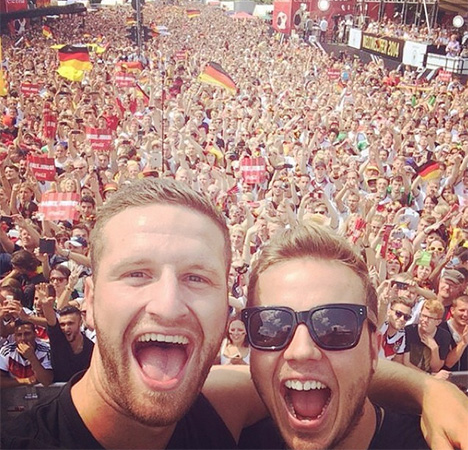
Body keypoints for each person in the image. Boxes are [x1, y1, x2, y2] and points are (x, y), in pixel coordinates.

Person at [2, 180, 468, 449]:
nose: (167, 303)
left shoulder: (216, 412)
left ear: (225, 312)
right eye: (136, 274)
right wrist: (423, 385)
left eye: (197, 278)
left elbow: (337, 370)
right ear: (87, 300)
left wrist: (430, 391)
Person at [238, 224, 430, 449]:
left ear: (372, 349)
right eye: (272, 326)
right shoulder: (226, 438)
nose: (301, 351)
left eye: (335, 328)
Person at [38, 283, 94, 382]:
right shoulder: (58, 340)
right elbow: (51, 322)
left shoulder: (91, 348)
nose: (66, 328)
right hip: (59, 394)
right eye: (62, 324)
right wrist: (46, 306)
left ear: (80, 322)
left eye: (70, 323)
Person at [0, 319, 53, 388]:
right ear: (14, 337)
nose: (23, 338)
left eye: (27, 334)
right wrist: (26, 381)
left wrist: (32, 358)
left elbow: (46, 381)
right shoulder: (6, 351)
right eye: (19, 335)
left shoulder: (46, 350)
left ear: (35, 334)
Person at [440, 295, 468, 371]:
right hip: (445, 380)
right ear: (452, 310)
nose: (465, 315)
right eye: (462, 310)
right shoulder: (441, 330)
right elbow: (447, 364)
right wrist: (463, 343)